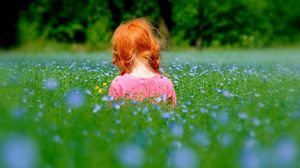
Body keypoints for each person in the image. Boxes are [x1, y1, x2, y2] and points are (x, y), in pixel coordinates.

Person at [108, 18, 176, 107]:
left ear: (121, 54)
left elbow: (110, 117)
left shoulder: (119, 84)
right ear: (151, 46)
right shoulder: (166, 84)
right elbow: (172, 117)